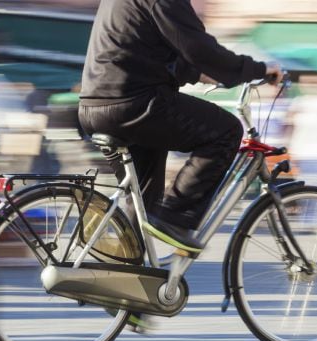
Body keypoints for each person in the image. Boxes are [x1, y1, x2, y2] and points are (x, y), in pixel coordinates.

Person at [78, 0, 282, 252]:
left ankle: (129, 274)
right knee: (226, 131)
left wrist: (200, 74)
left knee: (143, 201)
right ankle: (175, 217)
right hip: (133, 103)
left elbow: (149, 52)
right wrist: (258, 69)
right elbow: (198, 48)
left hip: (96, 106)